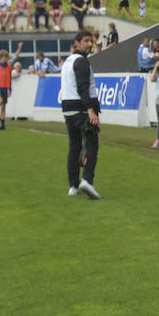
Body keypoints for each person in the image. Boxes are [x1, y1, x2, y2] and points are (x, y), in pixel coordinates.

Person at [59, 29, 101, 199]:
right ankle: (87, 180)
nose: (90, 44)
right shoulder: (82, 62)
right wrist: (91, 110)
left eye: (91, 41)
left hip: (68, 108)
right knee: (91, 144)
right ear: (77, 42)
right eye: (86, 41)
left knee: (74, 146)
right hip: (81, 108)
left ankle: (73, 185)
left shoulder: (68, 61)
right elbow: (83, 87)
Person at [0, 42, 24, 127]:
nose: (6, 59)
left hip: (5, 87)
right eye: (5, 58)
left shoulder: (8, 66)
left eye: (7, 58)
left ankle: (2, 123)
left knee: (3, 106)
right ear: (1, 57)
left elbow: (15, 57)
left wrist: (10, 89)